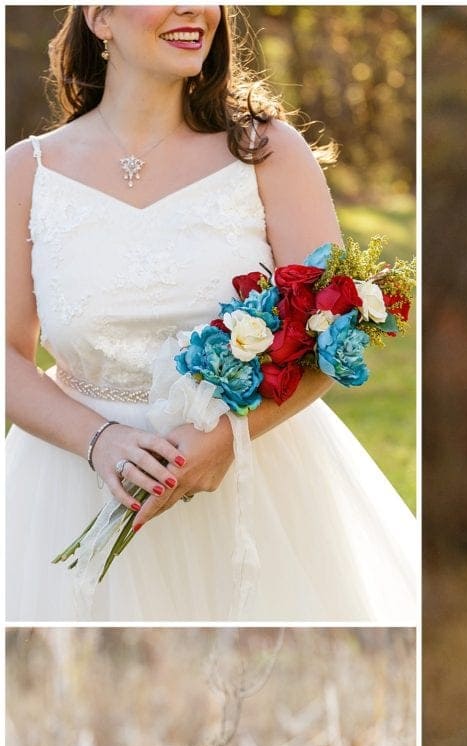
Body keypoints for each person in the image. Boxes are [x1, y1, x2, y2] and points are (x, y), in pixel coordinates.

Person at [5, 6, 416, 622]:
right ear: (99, 17)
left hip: (256, 475)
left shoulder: (265, 151)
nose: (194, 6)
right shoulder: (25, 174)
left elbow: (336, 326)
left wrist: (227, 442)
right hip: (73, 478)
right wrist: (99, 442)